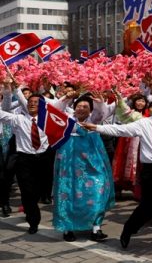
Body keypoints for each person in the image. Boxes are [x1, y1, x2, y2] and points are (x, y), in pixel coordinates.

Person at [83, 91, 152, 254]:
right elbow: (120, 130)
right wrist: (96, 127)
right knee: (148, 207)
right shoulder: (144, 123)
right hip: (151, 171)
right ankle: (128, 229)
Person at [53, 95, 114, 242]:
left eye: (86, 107)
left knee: (98, 191)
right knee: (68, 193)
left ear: (90, 111)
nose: (81, 108)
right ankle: (68, 228)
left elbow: (101, 113)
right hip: (69, 164)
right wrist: (67, 97)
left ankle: (96, 228)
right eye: (79, 106)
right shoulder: (67, 120)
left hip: (93, 164)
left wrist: (99, 102)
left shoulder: (93, 122)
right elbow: (54, 111)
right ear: (74, 108)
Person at [0, 93, 50, 233]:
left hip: (43, 158)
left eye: (36, 102)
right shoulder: (18, 119)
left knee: (38, 191)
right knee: (27, 191)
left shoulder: (48, 120)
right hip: (24, 160)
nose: (32, 104)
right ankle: (33, 220)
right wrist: (7, 89)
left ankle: (32, 207)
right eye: (30, 102)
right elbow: (2, 113)